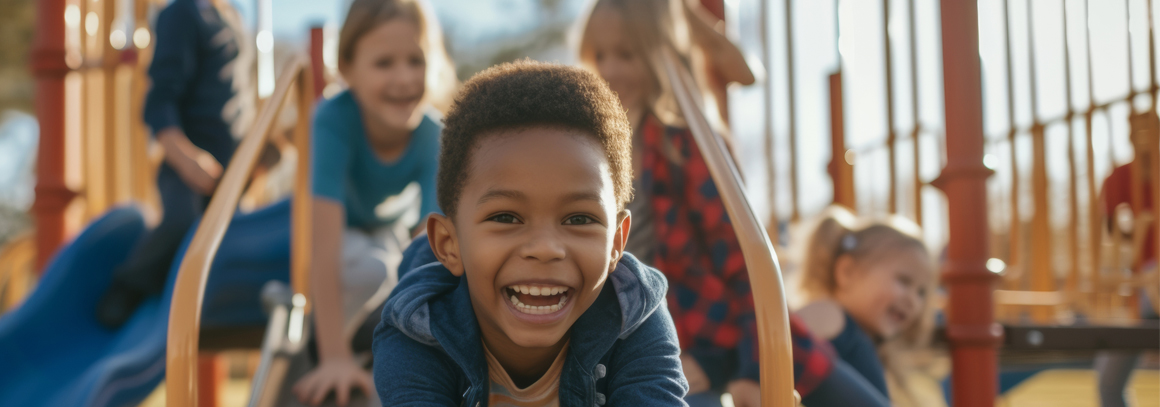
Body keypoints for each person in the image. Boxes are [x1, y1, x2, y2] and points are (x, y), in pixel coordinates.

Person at [576, 0, 887, 405]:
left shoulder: (682, 142)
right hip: (671, 343)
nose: (611, 69)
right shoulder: (601, 151)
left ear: (662, 53)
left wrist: (752, 369)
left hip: (733, 338)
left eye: (627, 54)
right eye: (600, 55)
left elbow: (744, 263)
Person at [373, 60, 687, 406]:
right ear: (450, 244)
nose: (545, 248)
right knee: (416, 269)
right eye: (506, 217)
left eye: (579, 219)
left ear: (616, 243)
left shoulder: (634, 314)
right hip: (432, 274)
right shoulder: (417, 329)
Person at [292, 0, 456, 404]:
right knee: (371, 268)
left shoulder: (433, 134)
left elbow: (428, 245)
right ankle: (323, 350)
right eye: (384, 63)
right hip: (334, 227)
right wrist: (333, 357)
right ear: (346, 69)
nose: (403, 78)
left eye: (415, 61)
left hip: (387, 230)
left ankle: (378, 352)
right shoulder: (333, 118)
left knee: (403, 270)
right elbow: (325, 245)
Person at [95, 0, 251, 328]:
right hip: (190, 155)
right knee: (182, 222)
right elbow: (161, 97)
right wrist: (182, 154)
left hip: (230, 163)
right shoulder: (183, 12)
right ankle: (127, 289)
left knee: (232, 239)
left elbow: (238, 100)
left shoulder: (234, 17)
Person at [791, 207, 937, 403]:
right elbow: (777, 341)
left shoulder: (874, 346)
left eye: (921, 292)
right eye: (904, 281)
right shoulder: (831, 315)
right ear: (847, 272)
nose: (913, 300)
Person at [1094, 110, 1158, 407]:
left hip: (1149, 282)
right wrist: (1137, 234)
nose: (1142, 139)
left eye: (1149, 131)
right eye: (1136, 132)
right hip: (1142, 282)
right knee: (1108, 383)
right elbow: (1110, 225)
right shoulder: (1121, 176)